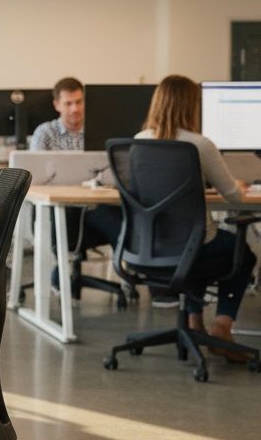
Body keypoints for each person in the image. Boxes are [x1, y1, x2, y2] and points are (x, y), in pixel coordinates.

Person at [135, 74, 256, 359]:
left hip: (151, 247)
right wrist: (236, 185)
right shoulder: (200, 144)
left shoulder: (139, 142)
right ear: (191, 105)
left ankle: (194, 319)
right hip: (193, 246)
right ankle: (222, 328)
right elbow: (234, 197)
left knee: (195, 245)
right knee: (241, 254)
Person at [29, 77, 122, 292]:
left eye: (79, 102)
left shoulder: (99, 131)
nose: (75, 109)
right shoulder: (45, 133)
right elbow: (35, 179)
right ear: (57, 105)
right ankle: (63, 266)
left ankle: (132, 275)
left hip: (93, 206)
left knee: (121, 223)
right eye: (68, 103)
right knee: (61, 219)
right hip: (58, 207)